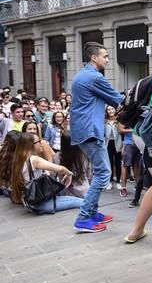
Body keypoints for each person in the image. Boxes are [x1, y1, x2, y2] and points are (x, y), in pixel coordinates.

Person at [70, 42, 123, 233]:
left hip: (83, 131)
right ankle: (84, 218)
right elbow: (118, 100)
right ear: (94, 57)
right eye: (105, 56)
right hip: (90, 130)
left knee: (98, 172)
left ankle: (92, 212)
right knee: (103, 174)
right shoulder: (94, 77)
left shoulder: (82, 75)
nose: (108, 60)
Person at [2, 132, 77, 214]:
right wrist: (70, 174)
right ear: (31, 145)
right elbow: (60, 169)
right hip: (41, 203)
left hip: (29, 202)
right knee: (81, 202)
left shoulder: (18, 159)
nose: (42, 143)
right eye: (39, 141)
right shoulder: (34, 160)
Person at [104, 106, 122, 190]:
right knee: (109, 163)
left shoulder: (119, 120)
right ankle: (110, 181)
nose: (110, 111)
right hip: (107, 143)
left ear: (115, 110)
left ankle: (118, 181)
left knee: (118, 162)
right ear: (107, 111)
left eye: (112, 109)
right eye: (109, 109)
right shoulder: (105, 121)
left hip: (117, 143)